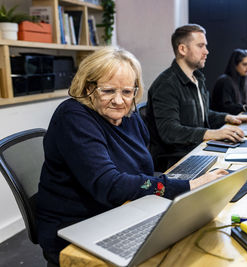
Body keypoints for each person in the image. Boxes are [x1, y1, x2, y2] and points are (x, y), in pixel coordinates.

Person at [36, 47, 228, 266]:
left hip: (122, 211)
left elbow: (141, 170)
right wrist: (186, 186)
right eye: (108, 91)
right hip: (77, 226)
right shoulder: (73, 117)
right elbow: (109, 184)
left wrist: (181, 185)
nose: (119, 101)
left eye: (127, 92)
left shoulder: (129, 116)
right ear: (89, 87)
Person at [146, 24, 247, 171]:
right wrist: (212, 133)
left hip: (198, 150)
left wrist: (228, 118)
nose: (207, 51)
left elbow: (203, 115)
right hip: (176, 161)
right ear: (182, 49)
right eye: (200, 46)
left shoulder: (198, 78)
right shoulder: (166, 85)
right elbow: (170, 131)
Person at [211, 49, 247, 115]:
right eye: (244, 64)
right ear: (235, 65)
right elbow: (226, 107)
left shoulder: (242, 80)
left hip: (236, 118)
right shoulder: (224, 81)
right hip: (224, 123)